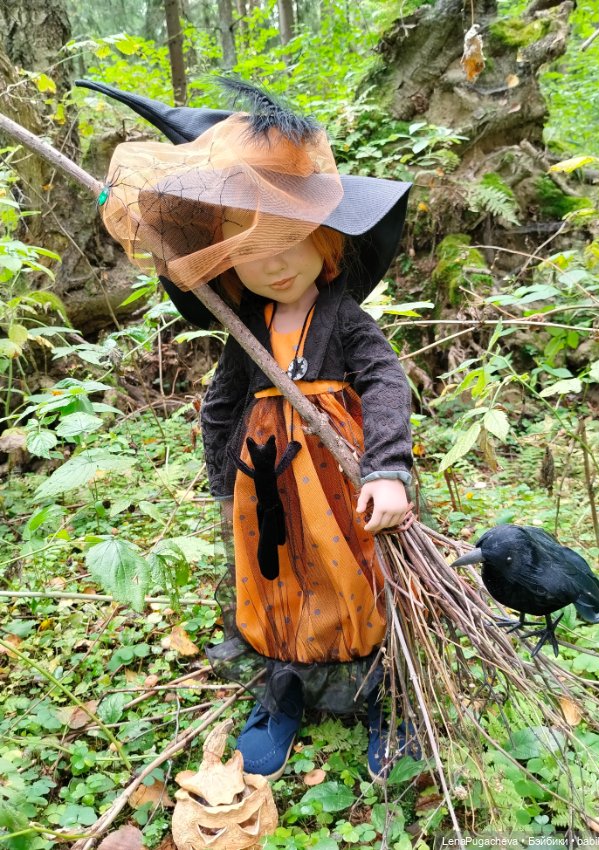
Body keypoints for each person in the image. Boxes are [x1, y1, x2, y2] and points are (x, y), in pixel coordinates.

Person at [88, 76, 418, 782]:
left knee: (352, 578)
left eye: (288, 237)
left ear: (325, 237)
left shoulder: (345, 323)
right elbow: (222, 403)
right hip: (264, 491)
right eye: (248, 245)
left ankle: (380, 696)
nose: (272, 261)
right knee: (276, 579)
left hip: (341, 488)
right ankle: (284, 691)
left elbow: (387, 383)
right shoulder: (249, 331)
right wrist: (220, 480)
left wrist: (388, 467)